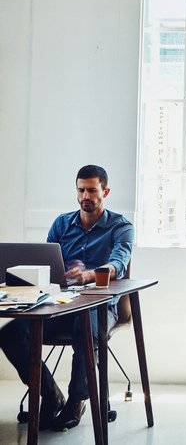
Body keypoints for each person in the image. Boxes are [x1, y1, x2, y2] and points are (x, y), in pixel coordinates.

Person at [0, 164, 133, 432]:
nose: (86, 196)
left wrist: (91, 275)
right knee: (10, 333)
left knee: (84, 329)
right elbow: (45, 264)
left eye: (92, 190)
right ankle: (50, 395)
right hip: (60, 305)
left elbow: (118, 262)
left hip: (100, 306)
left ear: (104, 191)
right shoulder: (62, 223)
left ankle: (77, 401)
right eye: (81, 190)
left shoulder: (120, 226)